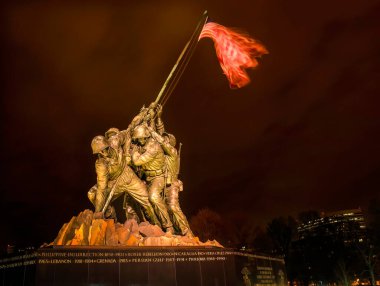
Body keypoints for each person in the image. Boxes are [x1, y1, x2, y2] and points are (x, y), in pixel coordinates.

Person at [88, 135, 160, 226]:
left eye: (105, 149)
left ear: (108, 144)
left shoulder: (115, 141)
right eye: (100, 152)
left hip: (129, 176)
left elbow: (127, 135)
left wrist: (126, 152)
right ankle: (111, 218)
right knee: (92, 194)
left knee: (147, 200)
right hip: (114, 182)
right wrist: (98, 212)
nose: (103, 153)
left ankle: (157, 224)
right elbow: (102, 187)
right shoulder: (100, 164)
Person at [148, 109, 193, 236]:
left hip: (172, 184)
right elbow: (160, 134)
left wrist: (151, 131)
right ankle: (172, 229)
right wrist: (156, 118)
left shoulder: (172, 152)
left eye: (166, 140)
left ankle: (187, 231)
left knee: (173, 207)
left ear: (170, 143)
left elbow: (161, 139)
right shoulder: (162, 151)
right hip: (163, 184)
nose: (164, 140)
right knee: (164, 208)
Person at [131, 125, 174, 233]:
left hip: (158, 177)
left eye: (140, 138)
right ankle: (153, 224)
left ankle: (169, 227)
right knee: (139, 196)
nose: (138, 141)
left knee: (153, 196)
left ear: (146, 137)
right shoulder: (142, 145)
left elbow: (137, 161)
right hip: (148, 177)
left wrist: (134, 152)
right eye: (137, 139)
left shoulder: (153, 146)